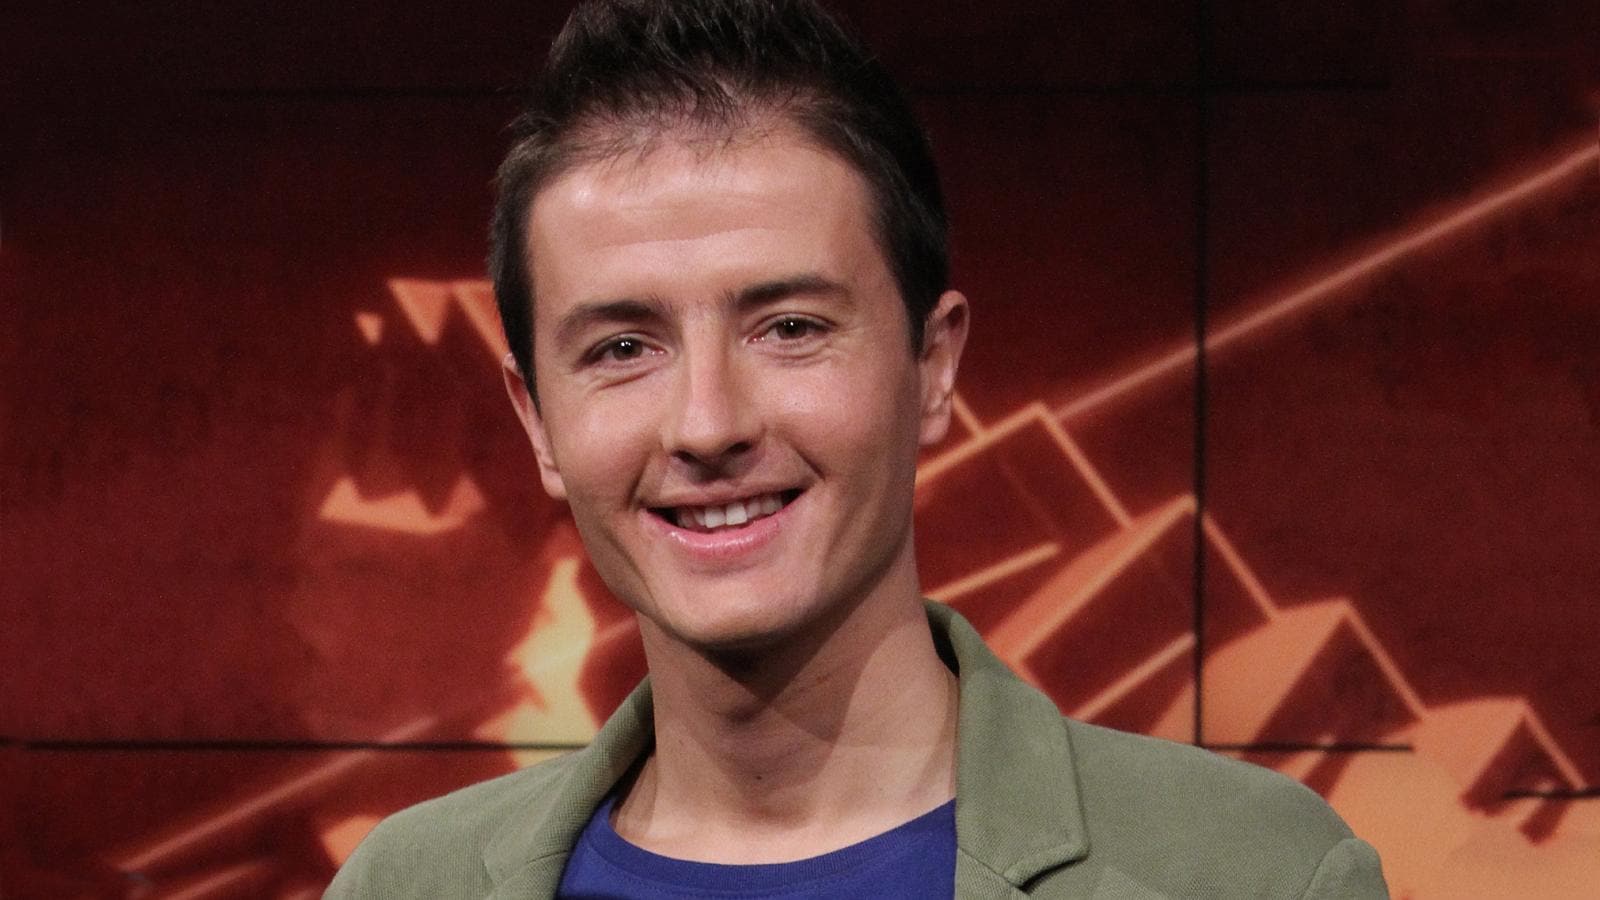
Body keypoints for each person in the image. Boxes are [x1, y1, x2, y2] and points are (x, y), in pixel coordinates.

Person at [328, 1, 1389, 896]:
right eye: (622, 347)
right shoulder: (404, 886)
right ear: (536, 422)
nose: (707, 424)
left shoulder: (1253, 873)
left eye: (789, 327)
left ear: (933, 365)